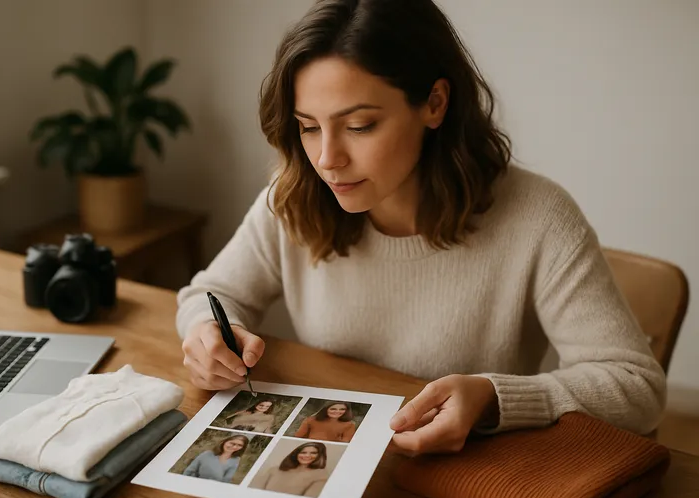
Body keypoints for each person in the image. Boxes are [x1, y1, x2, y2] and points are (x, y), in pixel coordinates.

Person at [177, 0, 666, 457]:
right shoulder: (294, 197)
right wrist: (206, 333)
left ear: (434, 103)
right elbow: (212, 293)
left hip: (474, 474)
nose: (328, 159)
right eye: (308, 126)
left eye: (360, 125)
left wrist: (494, 397)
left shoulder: (539, 216)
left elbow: (637, 387)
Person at [249, 442, 330, 497]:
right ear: (296, 454)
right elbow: (254, 491)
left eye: (313, 453)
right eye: (303, 452)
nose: (307, 456)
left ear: (320, 456)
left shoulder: (321, 476)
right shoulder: (274, 469)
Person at [181, 434, 248, 483]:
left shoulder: (236, 459)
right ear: (224, 442)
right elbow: (190, 470)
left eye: (239, 445)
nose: (235, 447)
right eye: (232, 443)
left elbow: (227, 479)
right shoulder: (207, 454)